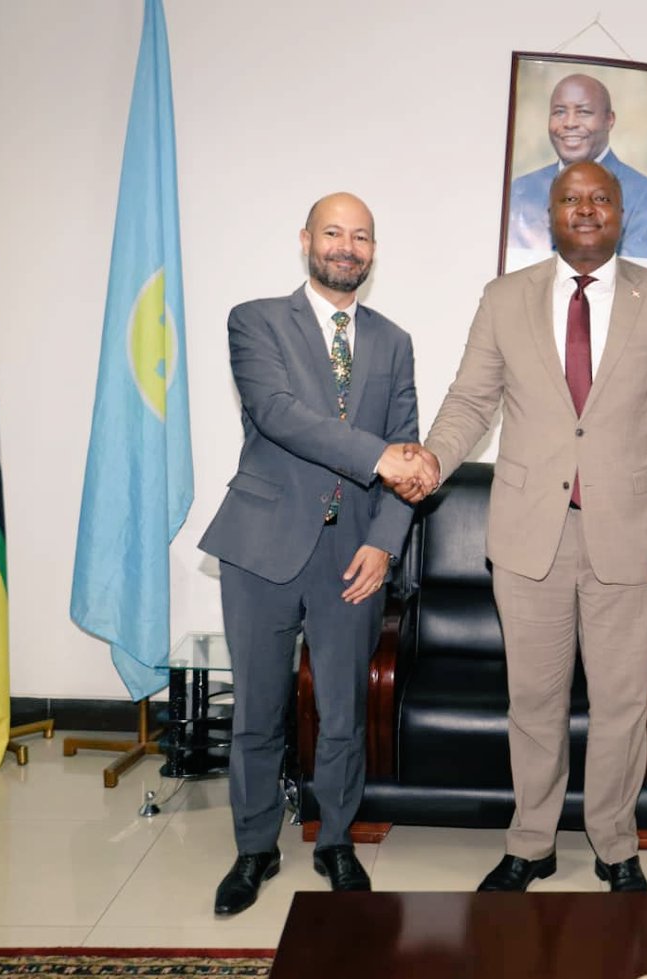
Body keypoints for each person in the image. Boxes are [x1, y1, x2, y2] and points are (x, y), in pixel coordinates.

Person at [395, 162, 647, 892]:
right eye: (572, 198)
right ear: (551, 214)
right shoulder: (505, 298)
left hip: (632, 539)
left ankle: (615, 844)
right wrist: (433, 460)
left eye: (601, 197)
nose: (587, 208)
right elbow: (471, 399)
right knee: (532, 701)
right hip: (528, 538)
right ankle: (531, 842)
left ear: (622, 212)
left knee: (620, 704)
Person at [199, 192, 426, 913]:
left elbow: (408, 445)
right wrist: (382, 459)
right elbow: (279, 415)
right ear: (306, 238)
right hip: (263, 548)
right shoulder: (255, 319)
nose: (346, 247)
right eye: (334, 232)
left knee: (342, 713)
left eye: (361, 236)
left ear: (374, 251)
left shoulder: (394, 341)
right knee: (258, 711)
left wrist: (386, 543)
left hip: (352, 556)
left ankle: (334, 841)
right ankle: (254, 848)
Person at [507, 74, 647, 269]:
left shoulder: (646, 196)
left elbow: (633, 281)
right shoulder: (521, 191)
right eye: (559, 112)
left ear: (609, 120)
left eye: (584, 112)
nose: (569, 123)